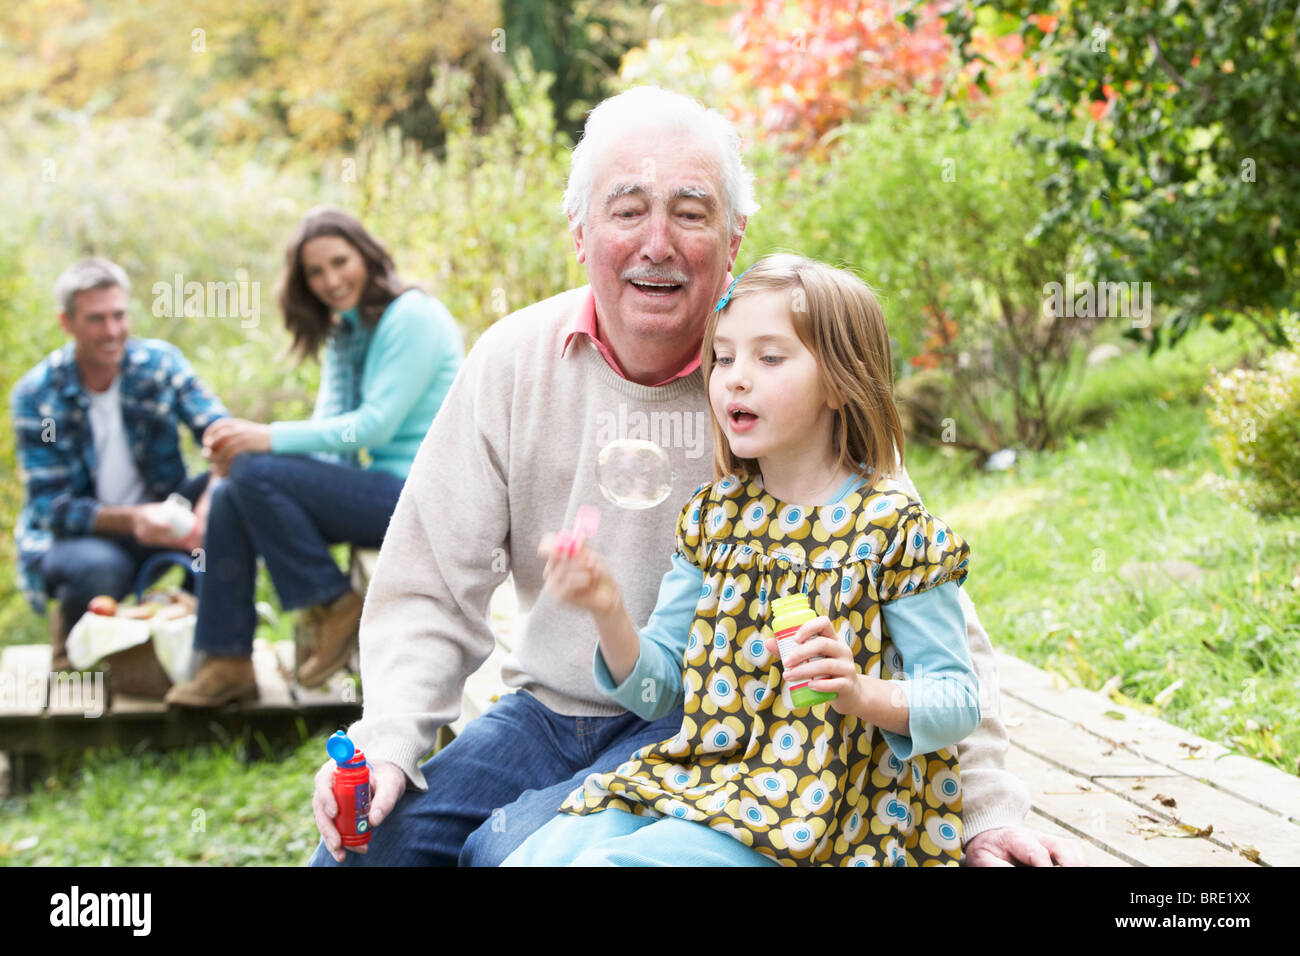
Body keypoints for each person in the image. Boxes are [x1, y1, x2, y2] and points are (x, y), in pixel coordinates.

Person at [309, 87, 1086, 867]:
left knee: (512, 854)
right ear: (580, 232)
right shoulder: (512, 361)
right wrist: (387, 740)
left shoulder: (793, 382)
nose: (659, 243)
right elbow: (429, 588)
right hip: (546, 712)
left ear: (733, 237)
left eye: (690, 211)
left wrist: (985, 811)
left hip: (715, 727)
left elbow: (929, 612)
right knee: (361, 854)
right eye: (627, 210)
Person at [505, 254, 981, 866]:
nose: (735, 377)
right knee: (538, 855)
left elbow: (957, 700)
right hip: (711, 782)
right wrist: (608, 612)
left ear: (840, 382)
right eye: (723, 358)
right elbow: (661, 692)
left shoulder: (892, 532)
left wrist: (861, 692)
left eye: (769, 357)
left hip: (824, 818)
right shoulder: (714, 520)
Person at [163, 207, 463, 707]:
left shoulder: (412, 316)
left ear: (366, 256)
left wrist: (264, 439)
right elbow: (330, 434)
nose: (330, 280)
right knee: (238, 488)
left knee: (254, 467)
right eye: (315, 272)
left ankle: (330, 601)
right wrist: (259, 466)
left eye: (340, 262)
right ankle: (228, 660)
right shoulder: (348, 331)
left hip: (427, 497)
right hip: (383, 490)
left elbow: (374, 426)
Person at [12, 257, 225, 671]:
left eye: (118, 315)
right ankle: (71, 652)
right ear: (67, 322)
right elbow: (50, 507)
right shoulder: (38, 395)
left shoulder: (160, 366)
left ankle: (204, 643)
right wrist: (135, 519)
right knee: (99, 567)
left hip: (164, 515)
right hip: (78, 536)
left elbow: (222, 435)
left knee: (235, 496)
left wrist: (210, 503)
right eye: (96, 319)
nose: (112, 331)